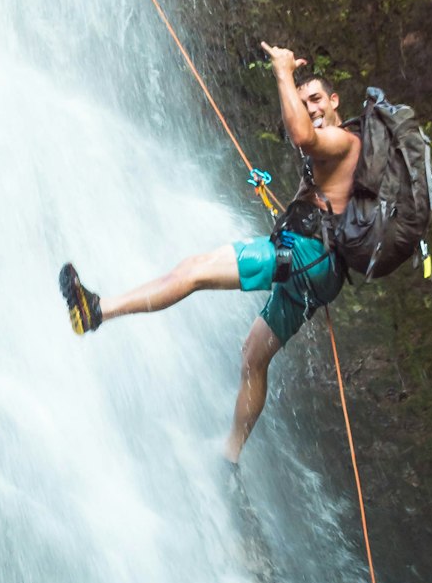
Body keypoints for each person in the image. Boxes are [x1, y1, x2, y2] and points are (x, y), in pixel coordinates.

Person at [59, 43, 360, 464]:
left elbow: (301, 135)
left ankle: (98, 310)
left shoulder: (343, 141)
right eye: (303, 99)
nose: (309, 106)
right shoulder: (331, 152)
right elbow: (317, 202)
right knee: (253, 356)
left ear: (334, 101)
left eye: (315, 99)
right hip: (313, 265)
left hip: (305, 257)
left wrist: (282, 72)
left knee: (195, 270)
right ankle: (231, 456)